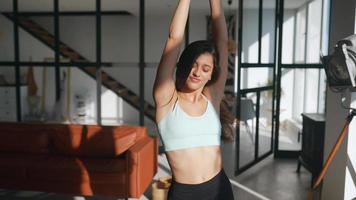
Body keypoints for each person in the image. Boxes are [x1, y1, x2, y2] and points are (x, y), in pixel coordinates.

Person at [153, 0, 235, 199]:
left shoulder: (212, 98)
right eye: (193, 65)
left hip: (220, 188)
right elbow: (174, 39)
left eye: (205, 69)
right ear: (184, 65)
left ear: (211, 75)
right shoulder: (167, 99)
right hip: (184, 194)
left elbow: (222, 41)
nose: (198, 72)